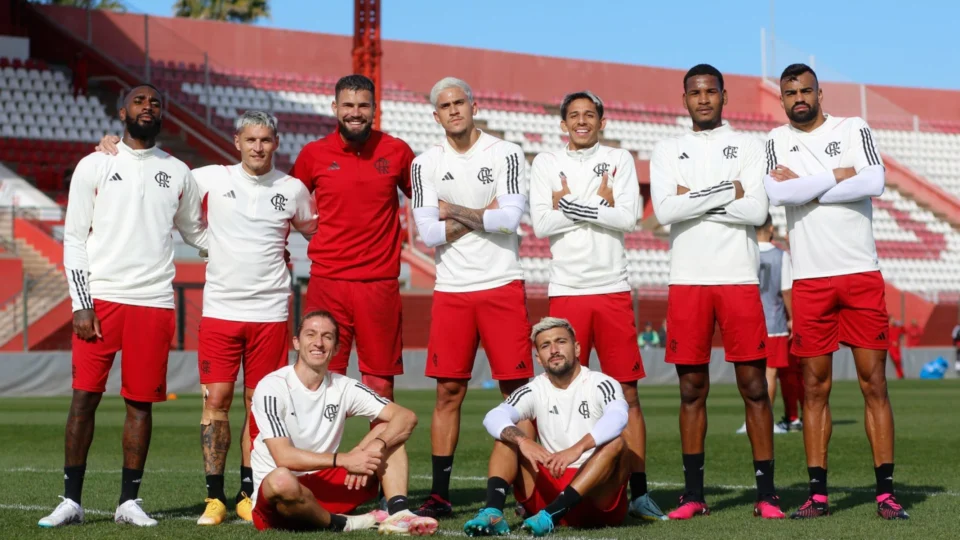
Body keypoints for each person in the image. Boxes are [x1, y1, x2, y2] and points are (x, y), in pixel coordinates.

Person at [94, 110, 320, 525]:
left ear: (275, 143)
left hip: (270, 313)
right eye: (250, 139)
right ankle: (214, 497)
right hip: (220, 312)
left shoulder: (292, 190)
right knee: (215, 402)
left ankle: (249, 493)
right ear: (237, 142)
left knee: (260, 405)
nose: (258, 147)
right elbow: (156, 173)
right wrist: (116, 147)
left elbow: (314, 230)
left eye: (265, 140)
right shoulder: (209, 177)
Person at [39, 84, 207, 528]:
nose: (148, 106)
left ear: (162, 113)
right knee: (84, 399)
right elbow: (74, 237)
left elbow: (196, 231)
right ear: (121, 112)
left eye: (155, 102)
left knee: (141, 404)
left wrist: (239, 249)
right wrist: (81, 303)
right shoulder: (96, 163)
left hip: (153, 301)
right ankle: (70, 501)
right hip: (102, 299)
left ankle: (128, 502)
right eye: (139, 101)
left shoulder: (179, 171)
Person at [764, 63, 907, 520]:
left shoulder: (853, 127)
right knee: (813, 388)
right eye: (791, 93)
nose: (799, 98)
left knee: (874, 383)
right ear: (782, 99)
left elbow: (874, 181)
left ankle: (885, 493)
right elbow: (778, 195)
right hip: (810, 279)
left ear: (820, 93)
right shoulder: (775, 140)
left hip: (860, 272)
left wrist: (807, 186)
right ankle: (818, 495)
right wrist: (838, 175)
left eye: (806, 91)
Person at [650, 64, 784, 520]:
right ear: (684, 99)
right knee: (691, 390)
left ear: (724, 96)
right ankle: (693, 495)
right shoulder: (667, 149)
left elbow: (757, 211)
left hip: (738, 279)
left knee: (755, 387)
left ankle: (767, 494)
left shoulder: (750, 145)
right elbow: (665, 210)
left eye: (711, 91)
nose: (703, 99)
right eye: (695, 92)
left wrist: (693, 198)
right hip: (687, 280)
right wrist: (729, 190)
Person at [529, 89, 664, 521]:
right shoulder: (546, 162)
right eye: (574, 115)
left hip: (611, 288)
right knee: (564, 391)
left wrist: (568, 204)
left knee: (627, 392)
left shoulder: (620, 158)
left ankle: (639, 493)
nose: (582, 121)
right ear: (563, 123)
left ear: (602, 122)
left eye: (590, 115)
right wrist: (600, 203)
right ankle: (564, 485)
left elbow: (628, 218)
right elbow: (541, 223)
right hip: (566, 288)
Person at [409, 77, 534, 518]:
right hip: (452, 290)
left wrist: (453, 211)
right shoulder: (424, 163)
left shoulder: (506, 153)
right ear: (436, 115)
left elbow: (511, 220)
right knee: (447, 392)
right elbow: (428, 234)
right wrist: (485, 214)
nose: (454, 110)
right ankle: (440, 495)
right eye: (445, 106)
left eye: (460, 102)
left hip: (502, 283)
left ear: (474, 106)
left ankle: (529, 493)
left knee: (518, 391)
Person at [249, 310, 437, 535]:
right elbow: (284, 457)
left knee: (388, 431)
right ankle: (344, 523)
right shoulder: (272, 386)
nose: (319, 343)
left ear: (337, 348)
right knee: (282, 479)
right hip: (280, 499)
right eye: (311, 335)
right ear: (297, 343)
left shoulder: (343, 386)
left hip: (326, 486)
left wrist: (371, 449)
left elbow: (406, 417)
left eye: (327, 337)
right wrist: (345, 460)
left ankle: (399, 513)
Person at [289, 74, 416, 403]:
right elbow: (285, 206)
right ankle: (323, 441)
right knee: (319, 379)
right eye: (348, 105)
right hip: (328, 282)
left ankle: (380, 440)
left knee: (380, 383)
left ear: (374, 109)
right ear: (335, 107)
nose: (355, 113)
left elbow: (426, 201)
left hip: (379, 284)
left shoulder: (397, 151)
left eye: (363, 105)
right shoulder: (313, 154)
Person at [464, 317, 632, 537]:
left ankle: (553, 514)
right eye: (545, 346)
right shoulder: (535, 388)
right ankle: (493, 513)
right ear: (538, 358)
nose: (554, 350)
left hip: (596, 496)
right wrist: (523, 441)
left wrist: (577, 449)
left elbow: (618, 416)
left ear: (577, 348)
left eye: (561, 342)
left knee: (617, 443)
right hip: (550, 483)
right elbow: (494, 416)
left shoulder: (601, 383)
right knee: (509, 432)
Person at [737, 214, 792, 435]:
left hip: (748, 322)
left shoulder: (744, 253)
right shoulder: (781, 256)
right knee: (770, 373)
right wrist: (793, 318)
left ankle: (749, 420)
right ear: (770, 228)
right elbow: (786, 291)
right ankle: (765, 421)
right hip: (774, 322)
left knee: (749, 373)